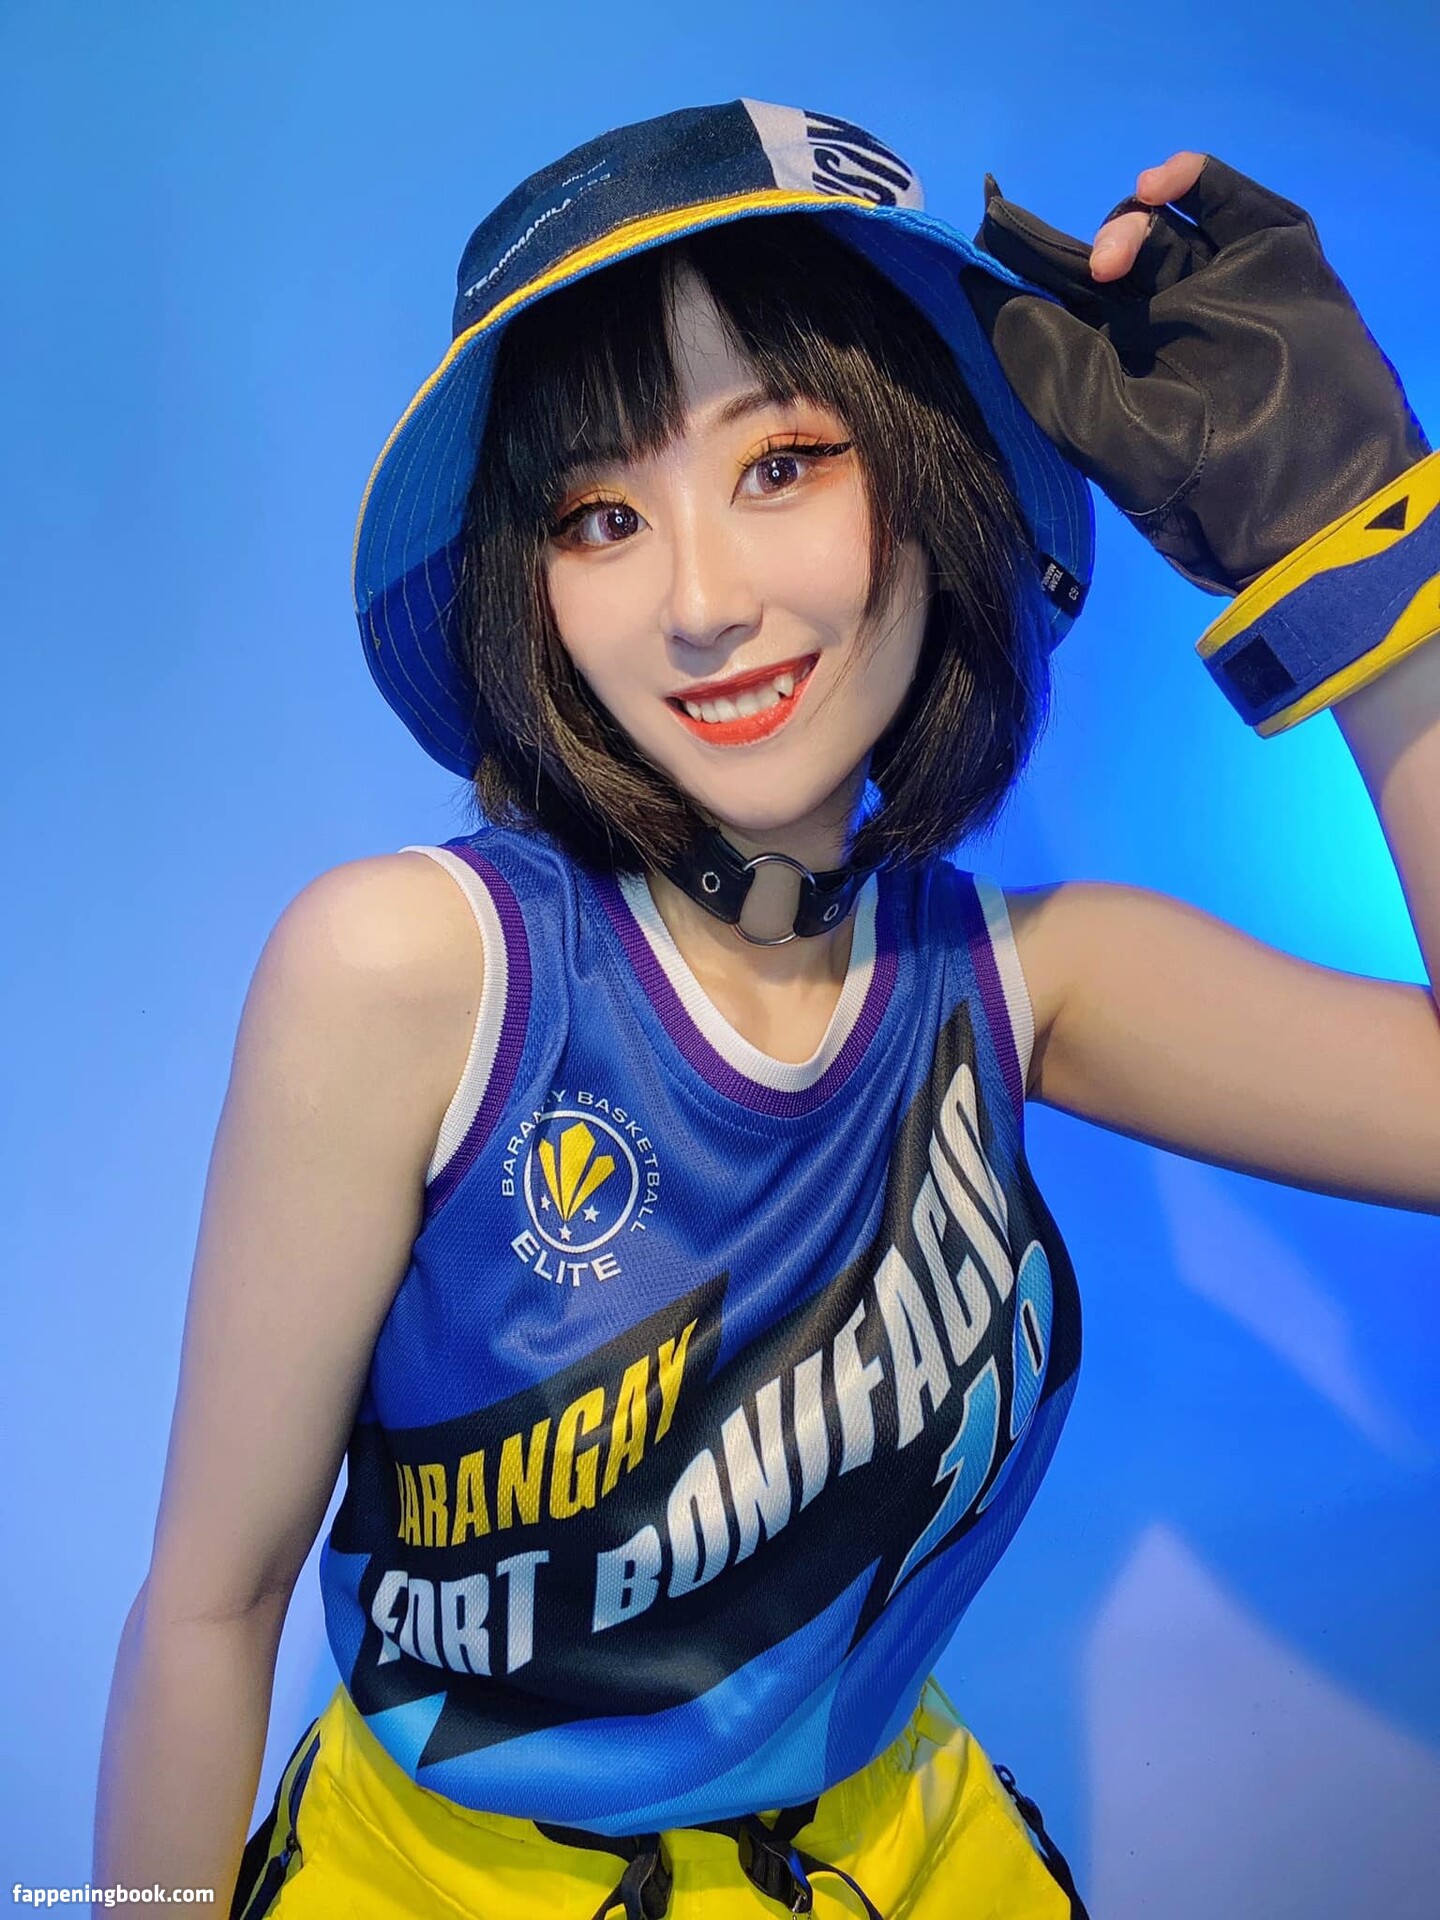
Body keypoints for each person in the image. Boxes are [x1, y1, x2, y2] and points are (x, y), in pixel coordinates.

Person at [92, 99, 1440, 1920]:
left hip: (896, 1862)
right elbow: (211, 1606)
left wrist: (1371, 563)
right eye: (601, 515)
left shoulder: (1017, 980)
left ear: (928, 468)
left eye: (783, 461)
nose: (703, 603)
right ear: (530, 589)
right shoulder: (416, 973)